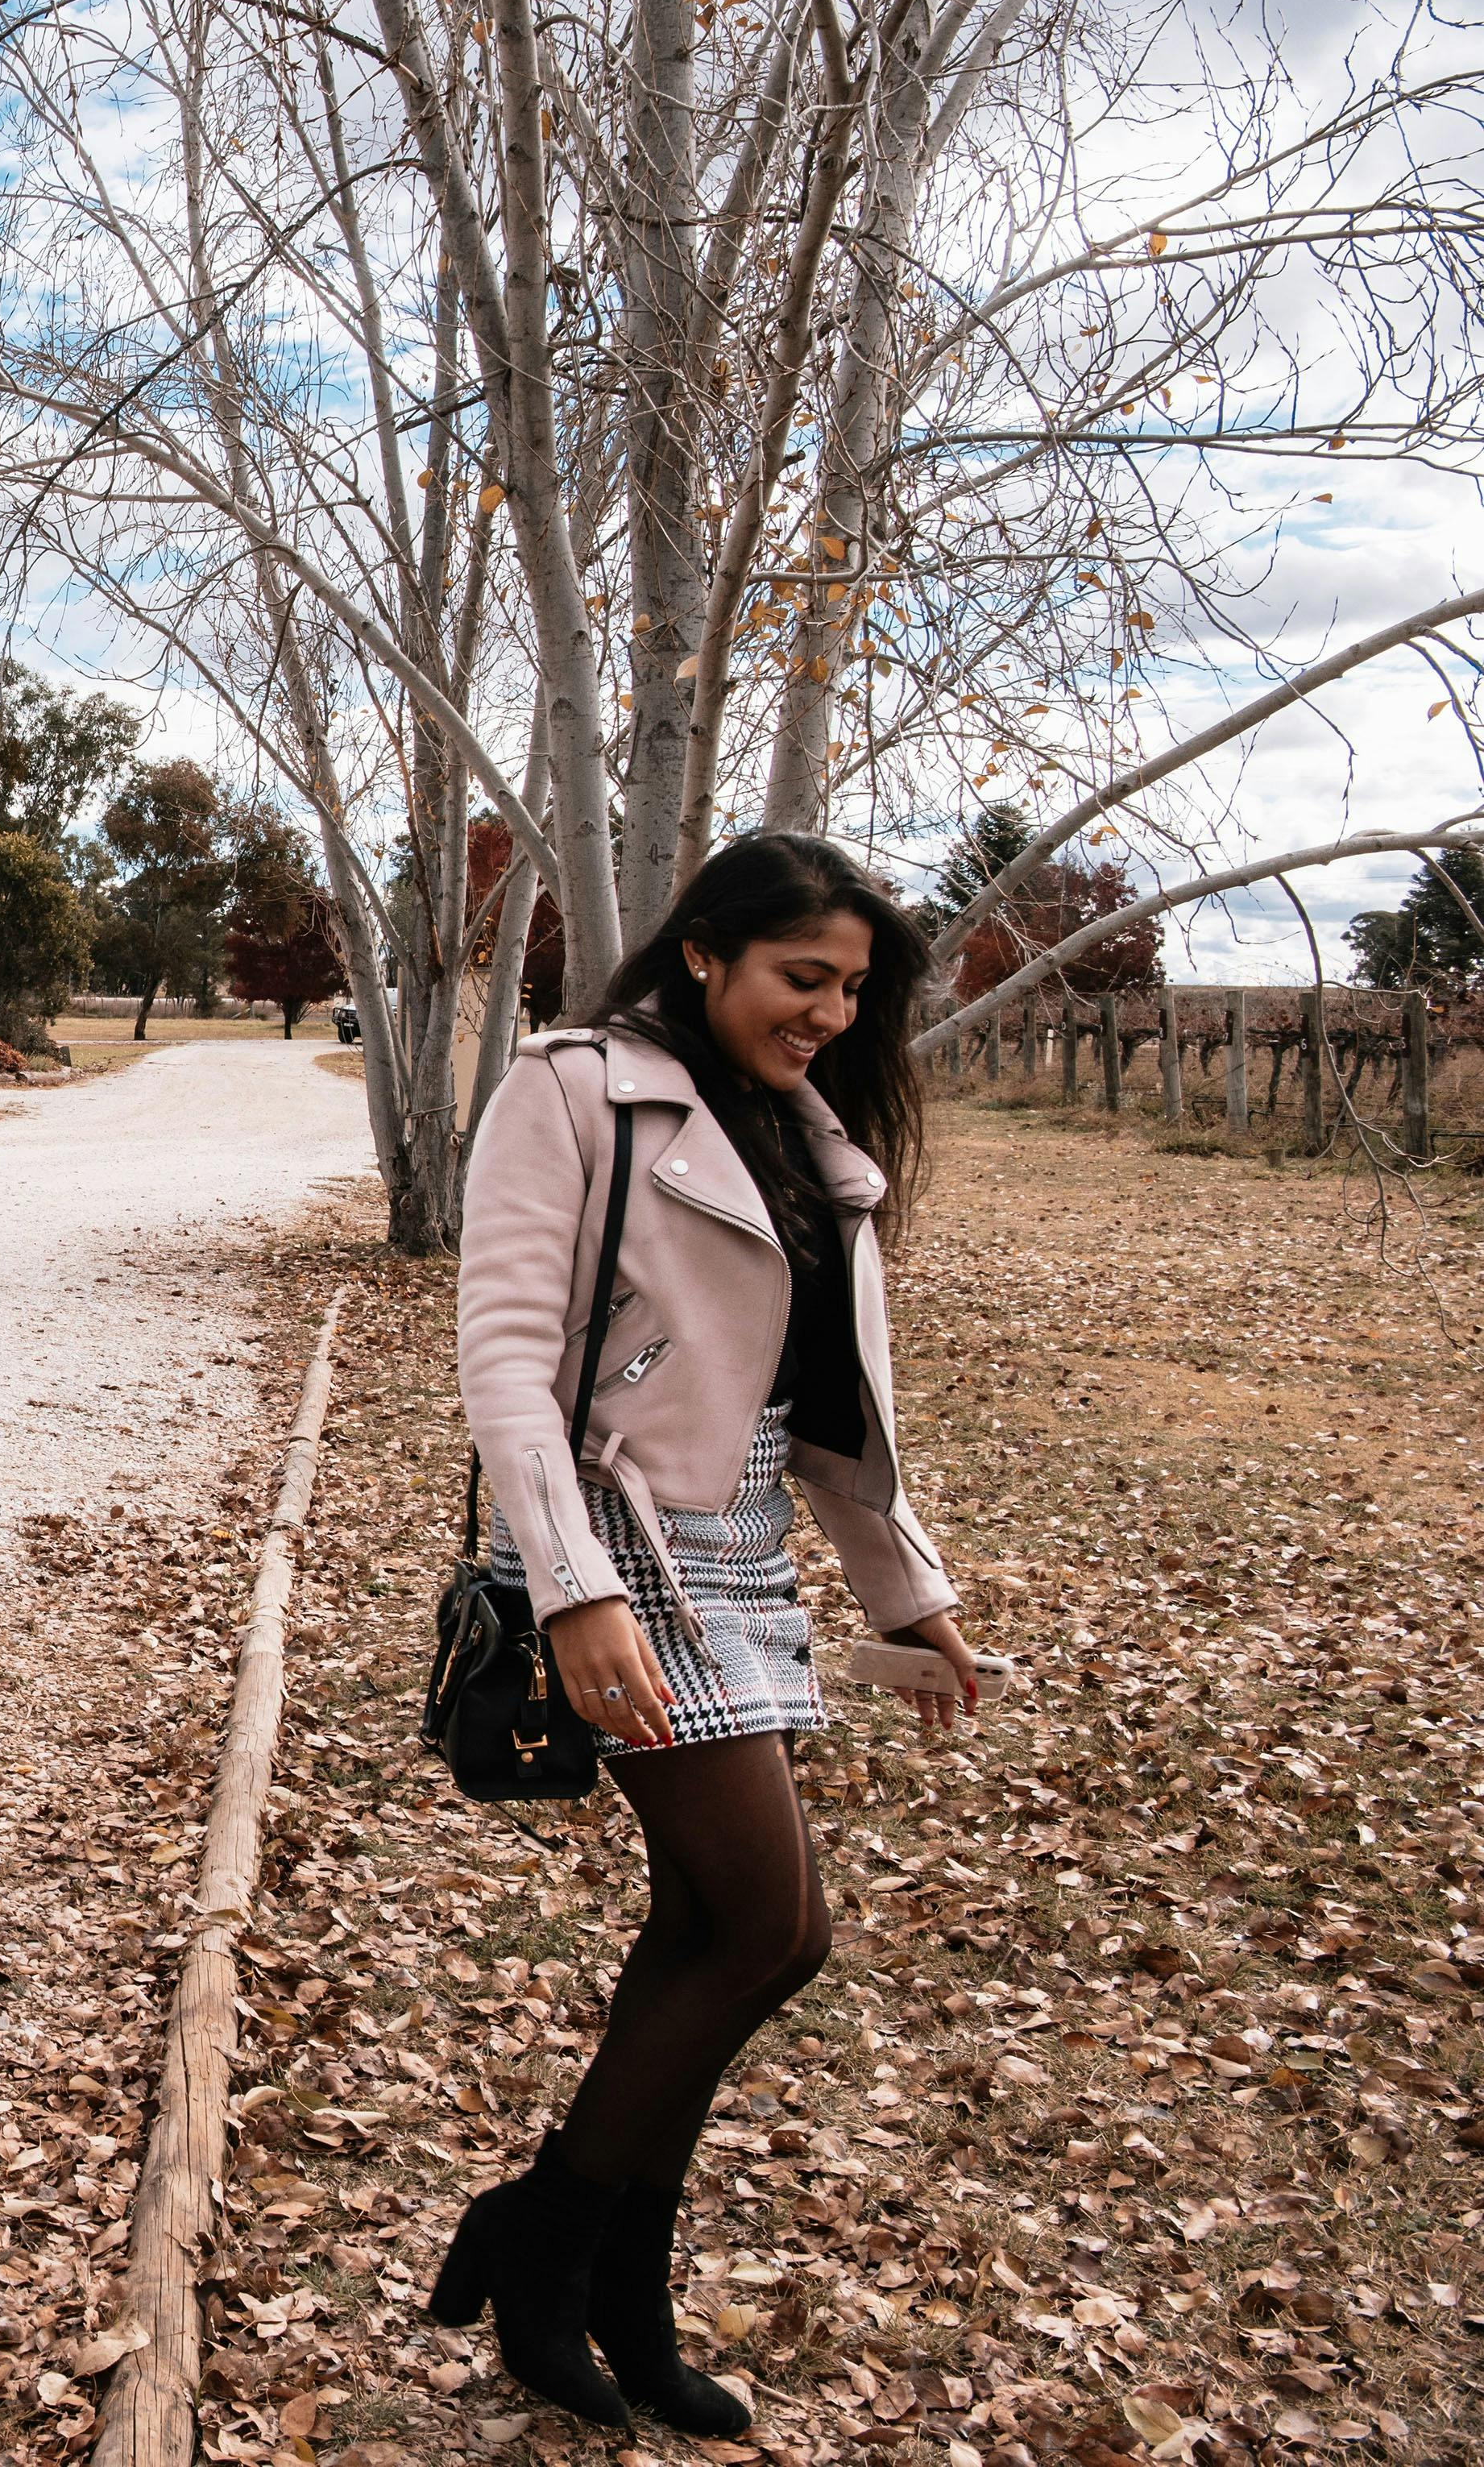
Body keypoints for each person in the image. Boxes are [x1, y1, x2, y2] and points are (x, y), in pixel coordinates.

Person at [436, 832, 984, 2434]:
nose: (829, 1012)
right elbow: (506, 1364)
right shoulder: (577, 1087)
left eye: (853, 990)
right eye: (801, 978)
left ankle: (615, 2285)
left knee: (710, 1934)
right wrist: (574, 1590)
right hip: (619, 1539)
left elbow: (827, 1413)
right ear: (703, 954)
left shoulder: (810, 1139)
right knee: (768, 1928)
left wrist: (912, 1593)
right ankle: (545, 2244)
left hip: (744, 1546)